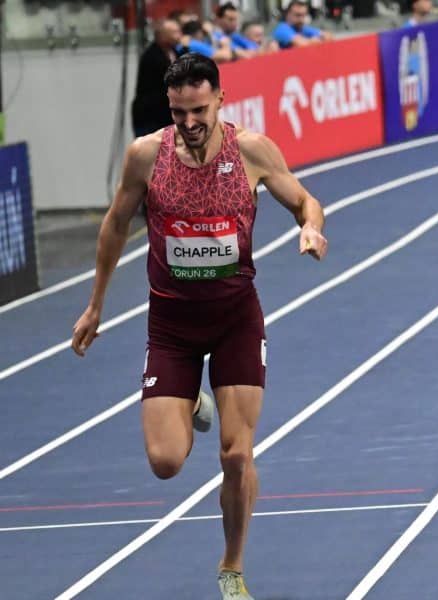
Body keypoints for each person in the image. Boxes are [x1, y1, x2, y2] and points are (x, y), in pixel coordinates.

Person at [71, 54, 328, 600]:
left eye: (199, 110)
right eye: (178, 112)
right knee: (166, 462)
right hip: (171, 326)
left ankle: (231, 567)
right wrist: (95, 305)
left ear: (220, 100)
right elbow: (115, 224)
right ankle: (190, 399)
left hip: (236, 320)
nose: (189, 123)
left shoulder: (252, 150)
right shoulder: (146, 155)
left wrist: (310, 228)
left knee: (236, 455)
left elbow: (305, 200)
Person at [132, 18, 181, 138]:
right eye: (174, 32)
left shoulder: (175, 52)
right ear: (161, 36)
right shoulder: (152, 57)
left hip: (167, 114)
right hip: (150, 116)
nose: (179, 36)